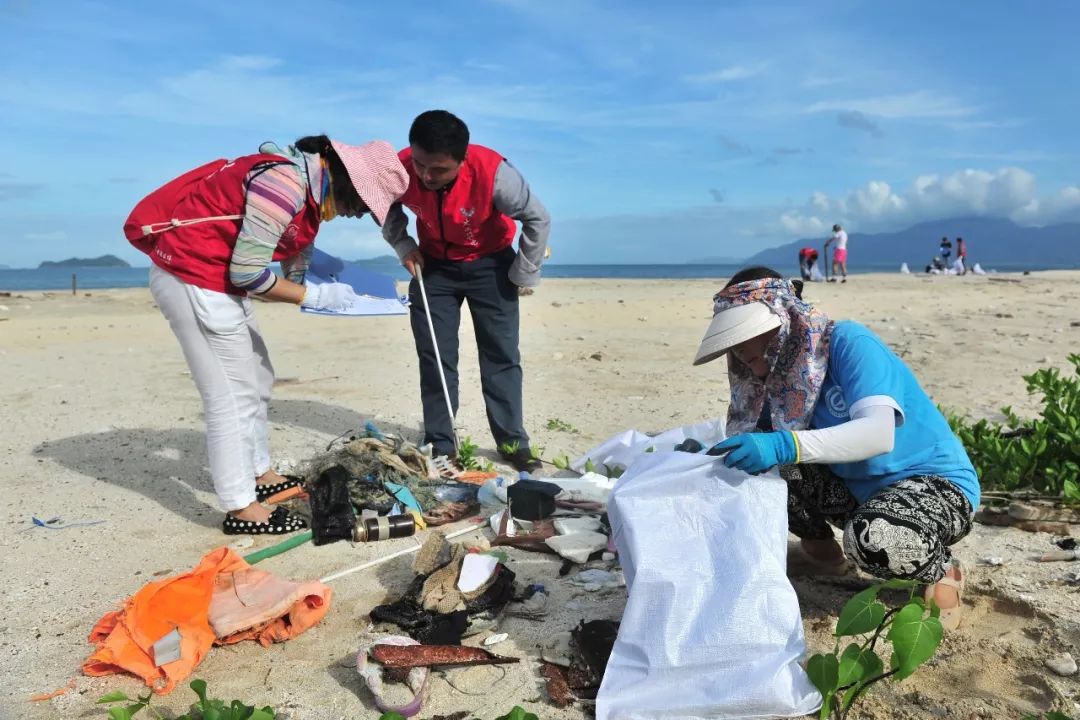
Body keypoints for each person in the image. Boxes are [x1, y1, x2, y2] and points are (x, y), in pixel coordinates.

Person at [125, 136, 409, 534]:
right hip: (192, 278)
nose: (361, 214)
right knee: (229, 395)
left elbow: (292, 246)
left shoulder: (311, 188)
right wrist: (316, 296)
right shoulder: (285, 184)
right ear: (349, 182)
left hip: (217, 280)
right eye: (364, 204)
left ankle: (261, 474)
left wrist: (311, 277)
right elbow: (248, 274)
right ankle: (240, 506)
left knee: (257, 375)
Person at [693, 266, 980, 630]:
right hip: (858, 494)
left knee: (873, 538)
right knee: (766, 470)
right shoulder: (776, 383)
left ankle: (942, 569)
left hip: (934, 485)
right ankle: (821, 553)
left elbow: (878, 434)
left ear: (784, 320)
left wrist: (783, 443)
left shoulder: (846, 343)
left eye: (748, 336)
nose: (740, 350)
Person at [382, 110, 550, 472]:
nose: (427, 176)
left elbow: (538, 219)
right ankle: (442, 444)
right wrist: (403, 244)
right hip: (432, 267)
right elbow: (383, 205)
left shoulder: (495, 174)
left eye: (439, 169)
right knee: (436, 357)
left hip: (491, 264)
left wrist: (523, 274)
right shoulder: (400, 168)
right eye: (421, 165)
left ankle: (511, 442)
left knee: (501, 356)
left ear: (462, 158)